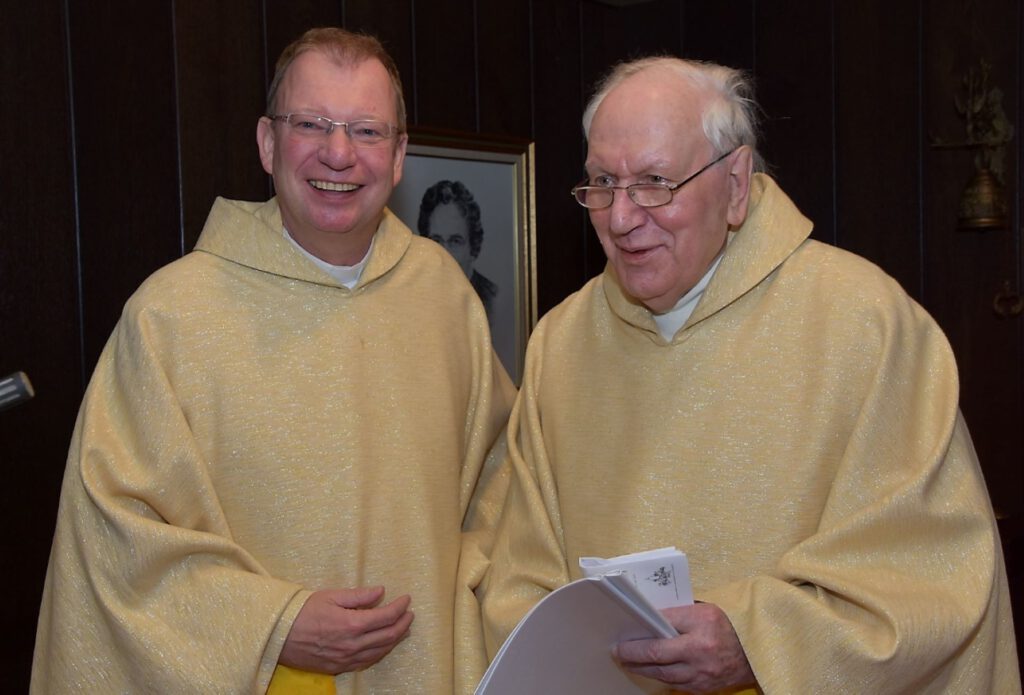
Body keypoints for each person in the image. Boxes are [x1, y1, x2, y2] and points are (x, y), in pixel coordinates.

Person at [471, 56, 1021, 693]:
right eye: (601, 182)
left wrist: (756, 642)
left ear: (735, 184)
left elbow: (927, 570)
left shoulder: (865, 324)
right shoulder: (561, 343)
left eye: (654, 182)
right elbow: (521, 575)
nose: (620, 218)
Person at [31, 27, 514, 695]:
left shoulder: (443, 299)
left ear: (401, 155)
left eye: (367, 131)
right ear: (266, 142)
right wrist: (271, 622)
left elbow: (502, 481)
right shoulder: (171, 316)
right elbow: (112, 539)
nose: (338, 153)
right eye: (311, 123)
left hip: (422, 667)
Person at [418, 179, 499, 317]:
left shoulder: (493, 302)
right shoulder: (414, 295)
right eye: (436, 240)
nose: (445, 253)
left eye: (455, 241)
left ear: (472, 247)